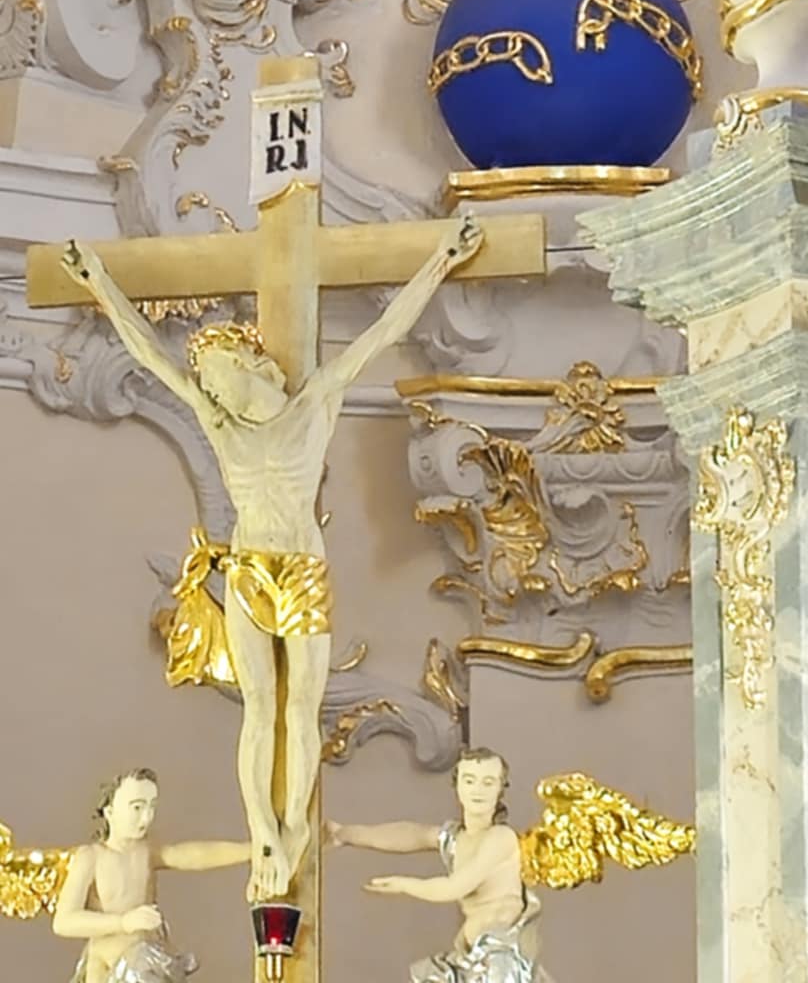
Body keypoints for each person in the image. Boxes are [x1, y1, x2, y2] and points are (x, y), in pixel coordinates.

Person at [60, 216, 484, 904]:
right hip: (250, 571)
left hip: (302, 573)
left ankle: (293, 830)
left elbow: (384, 333)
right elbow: (152, 359)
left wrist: (439, 260)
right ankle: (263, 829)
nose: (211, 389)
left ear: (249, 363)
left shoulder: (315, 402)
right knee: (259, 708)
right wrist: (101, 286)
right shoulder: (218, 423)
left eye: (217, 375)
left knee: (301, 708)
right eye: (208, 383)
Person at [327, 747, 552, 983]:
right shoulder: (457, 838)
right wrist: (345, 834)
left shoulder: (500, 838)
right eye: (469, 781)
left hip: (500, 962)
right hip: (469, 959)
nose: (478, 790)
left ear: (500, 789)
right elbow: (412, 835)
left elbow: (454, 887)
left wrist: (403, 885)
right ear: (457, 786)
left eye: (488, 782)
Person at [52, 769, 248, 983]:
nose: (146, 817)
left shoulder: (146, 852)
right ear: (110, 812)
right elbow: (64, 921)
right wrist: (123, 922)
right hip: (109, 966)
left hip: (147, 960)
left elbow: (191, 855)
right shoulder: (91, 857)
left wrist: (249, 851)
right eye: (137, 807)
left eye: (152, 806)